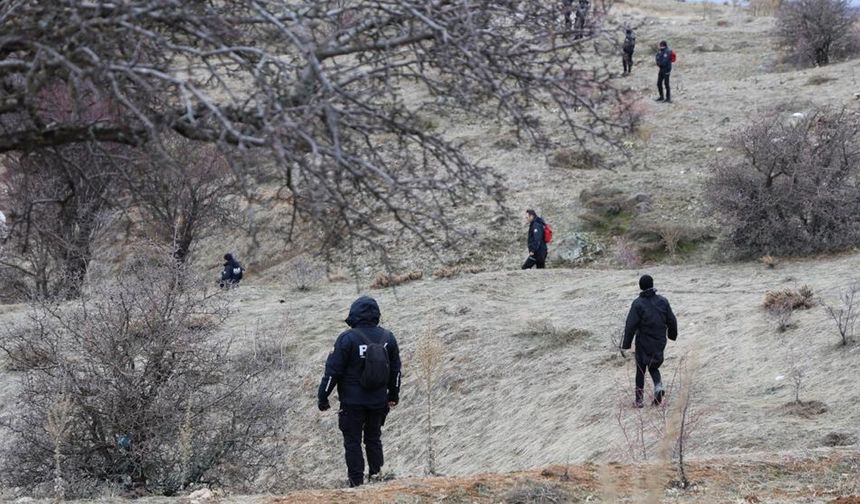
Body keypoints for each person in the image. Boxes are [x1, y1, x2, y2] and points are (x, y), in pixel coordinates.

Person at [318, 296, 402, 487]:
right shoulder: (388, 338)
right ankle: (377, 478)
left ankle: (356, 484)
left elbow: (333, 372)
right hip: (379, 402)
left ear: (354, 314)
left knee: (352, 442)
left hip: (352, 404)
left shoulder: (347, 338)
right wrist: (393, 396)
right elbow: (396, 371)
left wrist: (323, 397)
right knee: (373, 438)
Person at [621, 275, 678, 408]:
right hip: (659, 340)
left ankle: (639, 401)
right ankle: (658, 386)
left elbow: (630, 325)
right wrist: (672, 335)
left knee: (641, 369)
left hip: (643, 341)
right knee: (653, 365)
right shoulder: (663, 301)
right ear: (652, 285)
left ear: (640, 287)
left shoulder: (638, 304)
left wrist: (626, 345)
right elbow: (672, 320)